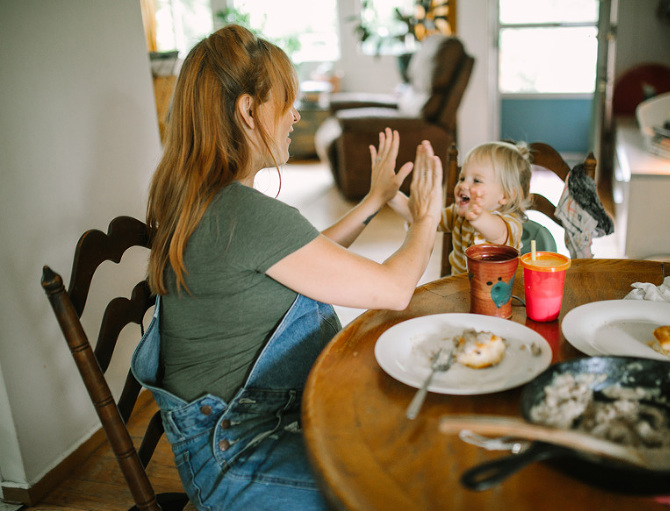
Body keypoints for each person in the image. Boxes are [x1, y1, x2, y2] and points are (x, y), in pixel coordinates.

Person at [131, 25, 442, 511]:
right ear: (248, 111)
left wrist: (372, 202)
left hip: (225, 433)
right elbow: (397, 288)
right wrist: (426, 220)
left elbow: (303, 258)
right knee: (395, 481)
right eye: (286, 101)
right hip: (237, 455)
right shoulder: (242, 215)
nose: (296, 114)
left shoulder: (208, 201)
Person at [388, 140, 531, 275]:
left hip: (497, 296)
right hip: (457, 290)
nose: (463, 185)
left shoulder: (510, 224)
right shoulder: (457, 214)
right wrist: (391, 195)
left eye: (476, 180)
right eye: (462, 178)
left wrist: (479, 217)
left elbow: (498, 233)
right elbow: (422, 216)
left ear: (505, 195)